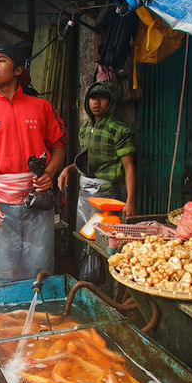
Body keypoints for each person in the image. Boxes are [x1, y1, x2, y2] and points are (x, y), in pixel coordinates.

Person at [0, 43, 66, 288]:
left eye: (0, 60)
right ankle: (0, 318)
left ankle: (38, 316)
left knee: (39, 263)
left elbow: (59, 146)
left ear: (18, 69)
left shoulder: (42, 107)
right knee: (1, 267)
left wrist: (49, 173)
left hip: (39, 200)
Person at [58, 80, 136, 282]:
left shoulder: (118, 130)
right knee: (84, 238)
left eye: (102, 99)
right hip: (85, 193)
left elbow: (129, 167)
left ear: (110, 103)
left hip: (106, 196)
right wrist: (68, 169)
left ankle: (106, 285)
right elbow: (87, 161)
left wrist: (130, 201)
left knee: (104, 242)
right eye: (93, 98)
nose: (96, 103)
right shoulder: (85, 129)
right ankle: (86, 282)